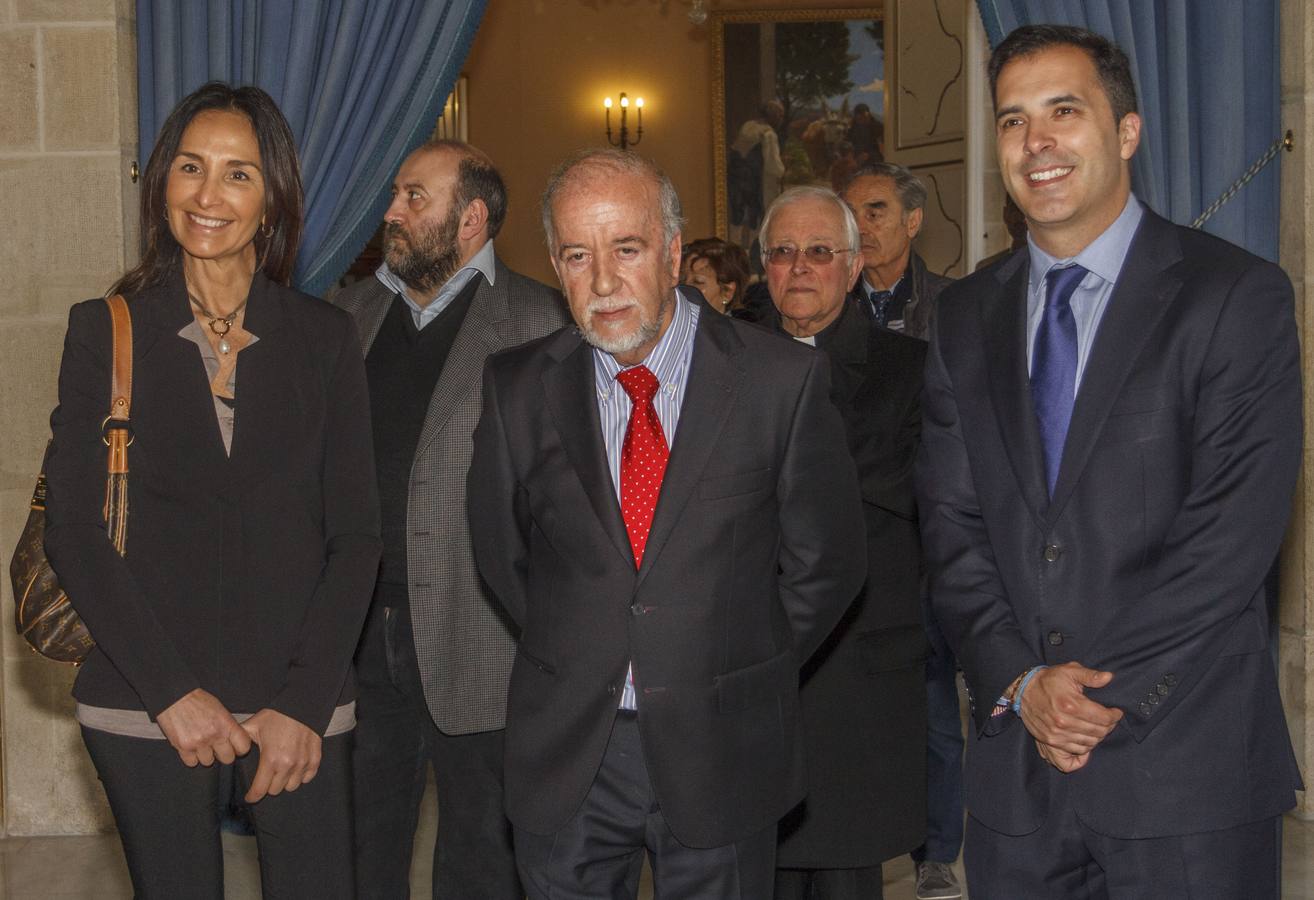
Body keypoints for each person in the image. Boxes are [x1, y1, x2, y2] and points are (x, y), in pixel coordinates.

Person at [916, 24, 1303, 899]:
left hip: (1186, 770)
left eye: (1064, 111)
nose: (1036, 142)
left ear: (1127, 132)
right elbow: (950, 524)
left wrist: (1092, 696)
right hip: (1018, 782)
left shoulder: (1234, 296)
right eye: (1013, 121)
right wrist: (1022, 681)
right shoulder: (964, 315)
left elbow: (1232, 536)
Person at [467, 149, 866, 899]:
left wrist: (732, 659)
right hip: (570, 749)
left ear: (674, 253)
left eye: (627, 248)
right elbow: (503, 554)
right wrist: (589, 642)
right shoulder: (517, 387)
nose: (604, 281)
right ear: (555, 264)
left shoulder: (779, 381)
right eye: (579, 255)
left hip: (724, 746)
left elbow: (828, 564)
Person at [43, 82, 381, 898]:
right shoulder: (106, 329)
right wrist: (173, 695)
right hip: (144, 700)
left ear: (272, 202)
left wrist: (303, 704)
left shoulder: (325, 337)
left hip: (299, 706)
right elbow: (74, 533)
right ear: (162, 184)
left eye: (238, 174)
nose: (208, 194)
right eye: (191, 167)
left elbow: (357, 535)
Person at [332, 139, 566, 899]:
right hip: (359, 631)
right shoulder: (349, 314)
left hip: (485, 633)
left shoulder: (538, 321)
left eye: (414, 198)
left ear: (471, 219)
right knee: (366, 842)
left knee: (480, 853)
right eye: (396, 195)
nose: (392, 214)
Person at [756, 186, 928, 900]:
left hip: (856, 667)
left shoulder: (907, 369)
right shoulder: (721, 364)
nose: (800, 268)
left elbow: (902, 490)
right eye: (783, 252)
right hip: (751, 665)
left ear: (854, 267)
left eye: (820, 252)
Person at [841, 163, 962, 900]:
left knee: (934, 711)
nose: (861, 225)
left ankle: (937, 850)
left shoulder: (955, 306)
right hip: (849, 541)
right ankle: (857, 842)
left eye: (877, 210)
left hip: (929, 544)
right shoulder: (824, 303)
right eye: (849, 212)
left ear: (913, 222)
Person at [841, 163, 952, 339]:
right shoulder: (831, 298)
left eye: (874, 215)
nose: (859, 229)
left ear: (912, 222)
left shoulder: (950, 302)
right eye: (851, 217)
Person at [680, 237, 750, 315]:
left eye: (697, 282)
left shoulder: (740, 326)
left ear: (727, 292)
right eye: (682, 280)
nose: (684, 288)